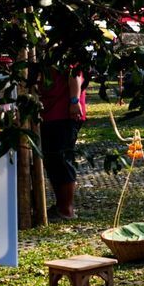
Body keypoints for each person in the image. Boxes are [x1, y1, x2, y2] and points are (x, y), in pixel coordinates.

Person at [39, 65, 87, 219]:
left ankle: (67, 209)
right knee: (52, 160)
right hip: (48, 113)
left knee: (62, 159)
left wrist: (74, 101)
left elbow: (75, 75)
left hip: (65, 114)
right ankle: (61, 205)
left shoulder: (64, 49)